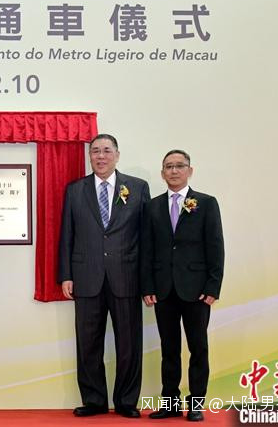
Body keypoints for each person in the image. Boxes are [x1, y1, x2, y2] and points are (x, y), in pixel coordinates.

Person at [58, 133, 150, 417]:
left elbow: (146, 237)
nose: (101, 156)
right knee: (88, 344)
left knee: (129, 344)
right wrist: (66, 274)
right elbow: (67, 235)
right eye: (95, 151)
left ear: (117, 155)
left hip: (127, 277)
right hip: (86, 277)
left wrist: (148, 280)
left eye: (107, 150)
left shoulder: (137, 187)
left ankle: (126, 402)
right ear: (89, 156)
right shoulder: (75, 190)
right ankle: (94, 400)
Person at [141, 149, 224, 422]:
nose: (174, 171)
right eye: (168, 166)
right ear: (162, 172)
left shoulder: (206, 203)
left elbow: (216, 246)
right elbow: (147, 250)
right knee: (169, 350)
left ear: (190, 170)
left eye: (179, 166)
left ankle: (196, 403)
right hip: (163, 290)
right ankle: (170, 403)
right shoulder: (152, 206)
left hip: (197, 290)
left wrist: (213, 287)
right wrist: (147, 286)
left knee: (198, 348)